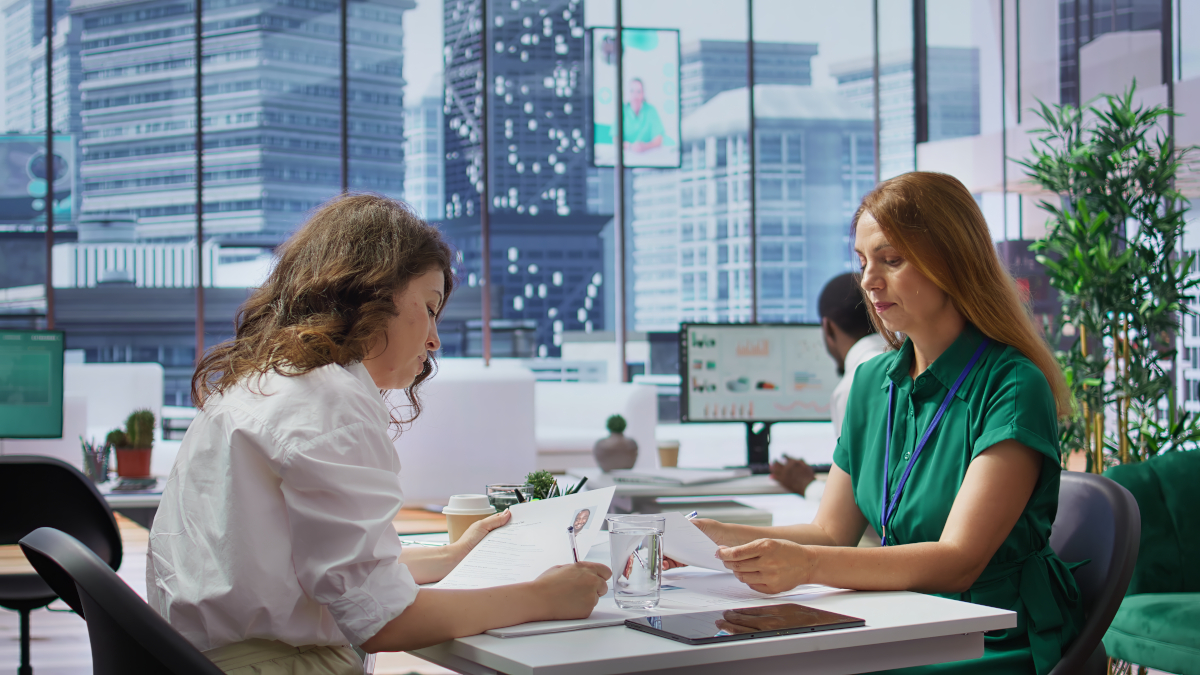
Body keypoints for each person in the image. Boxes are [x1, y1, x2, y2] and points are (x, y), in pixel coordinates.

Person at [147, 195, 611, 675]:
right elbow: (385, 621)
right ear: (369, 294)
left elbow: (317, 574)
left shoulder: (263, 384)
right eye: (429, 309)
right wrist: (543, 598)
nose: (434, 340)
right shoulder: (329, 403)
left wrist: (450, 557)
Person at [694, 172, 1083, 675]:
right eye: (862, 262)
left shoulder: (1012, 386)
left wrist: (806, 566)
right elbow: (832, 531)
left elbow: (959, 559)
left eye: (891, 260)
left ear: (953, 262)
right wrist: (716, 540)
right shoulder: (871, 382)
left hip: (989, 634)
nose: (868, 280)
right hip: (903, 617)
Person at [770, 273, 887, 497]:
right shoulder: (908, 361)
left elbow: (860, 502)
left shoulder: (856, 383)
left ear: (828, 327)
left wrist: (807, 485)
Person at [623, 78, 664, 153]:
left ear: (643, 94)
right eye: (632, 91)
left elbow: (659, 139)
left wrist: (645, 147)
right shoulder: (622, 110)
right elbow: (616, 138)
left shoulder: (651, 110)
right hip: (626, 157)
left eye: (638, 91)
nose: (635, 95)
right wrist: (631, 147)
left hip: (647, 157)